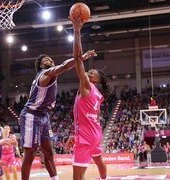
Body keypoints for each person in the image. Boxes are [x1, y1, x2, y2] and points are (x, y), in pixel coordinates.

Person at [19, 46, 96, 179]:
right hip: (32, 115)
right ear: (42, 64)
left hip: (44, 116)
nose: (51, 59)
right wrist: (80, 59)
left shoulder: (50, 76)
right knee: (30, 154)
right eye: (47, 59)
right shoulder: (45, 73)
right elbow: (65, 66)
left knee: (49, 153)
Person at [70, 15, 111, 180]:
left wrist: (77, 32)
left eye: (92, 73)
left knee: (77, 175)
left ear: (95, 80)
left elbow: (77, 60)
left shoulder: (87, 85)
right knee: (100, 162)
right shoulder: (98, 96)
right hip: (95, 134)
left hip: (86, 137)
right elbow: (97, 116)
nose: (89, 71)